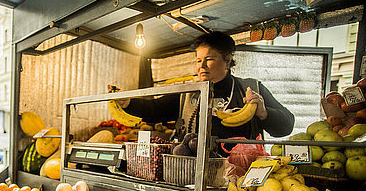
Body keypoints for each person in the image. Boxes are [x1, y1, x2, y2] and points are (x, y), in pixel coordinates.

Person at [123, 31, 294, 149]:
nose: (201, 66)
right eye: (198, 60)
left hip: (242, 177)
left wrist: (263, 112)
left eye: (209, 59)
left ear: (227, 61)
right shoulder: (187, 93)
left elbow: (287, 125)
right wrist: (127, 102)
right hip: (193, 175)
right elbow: (154, 109)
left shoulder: (251, 88)